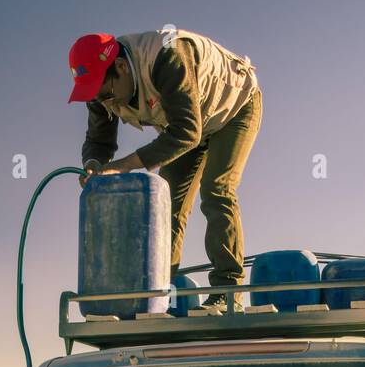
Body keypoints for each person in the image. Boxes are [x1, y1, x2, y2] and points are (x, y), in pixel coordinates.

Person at [70, 29, 262, 313]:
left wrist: (125, 166)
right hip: (186, 124)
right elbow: (99, 141)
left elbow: (187, 132)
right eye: (97, 97)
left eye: (107, 94)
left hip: (233, 109)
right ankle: (160, 294)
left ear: (121, 67)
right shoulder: (100, 91)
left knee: (216, 189)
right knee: (168, 203)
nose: (105, 103)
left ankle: (227, 288)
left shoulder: (168, 57)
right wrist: (94, 165)